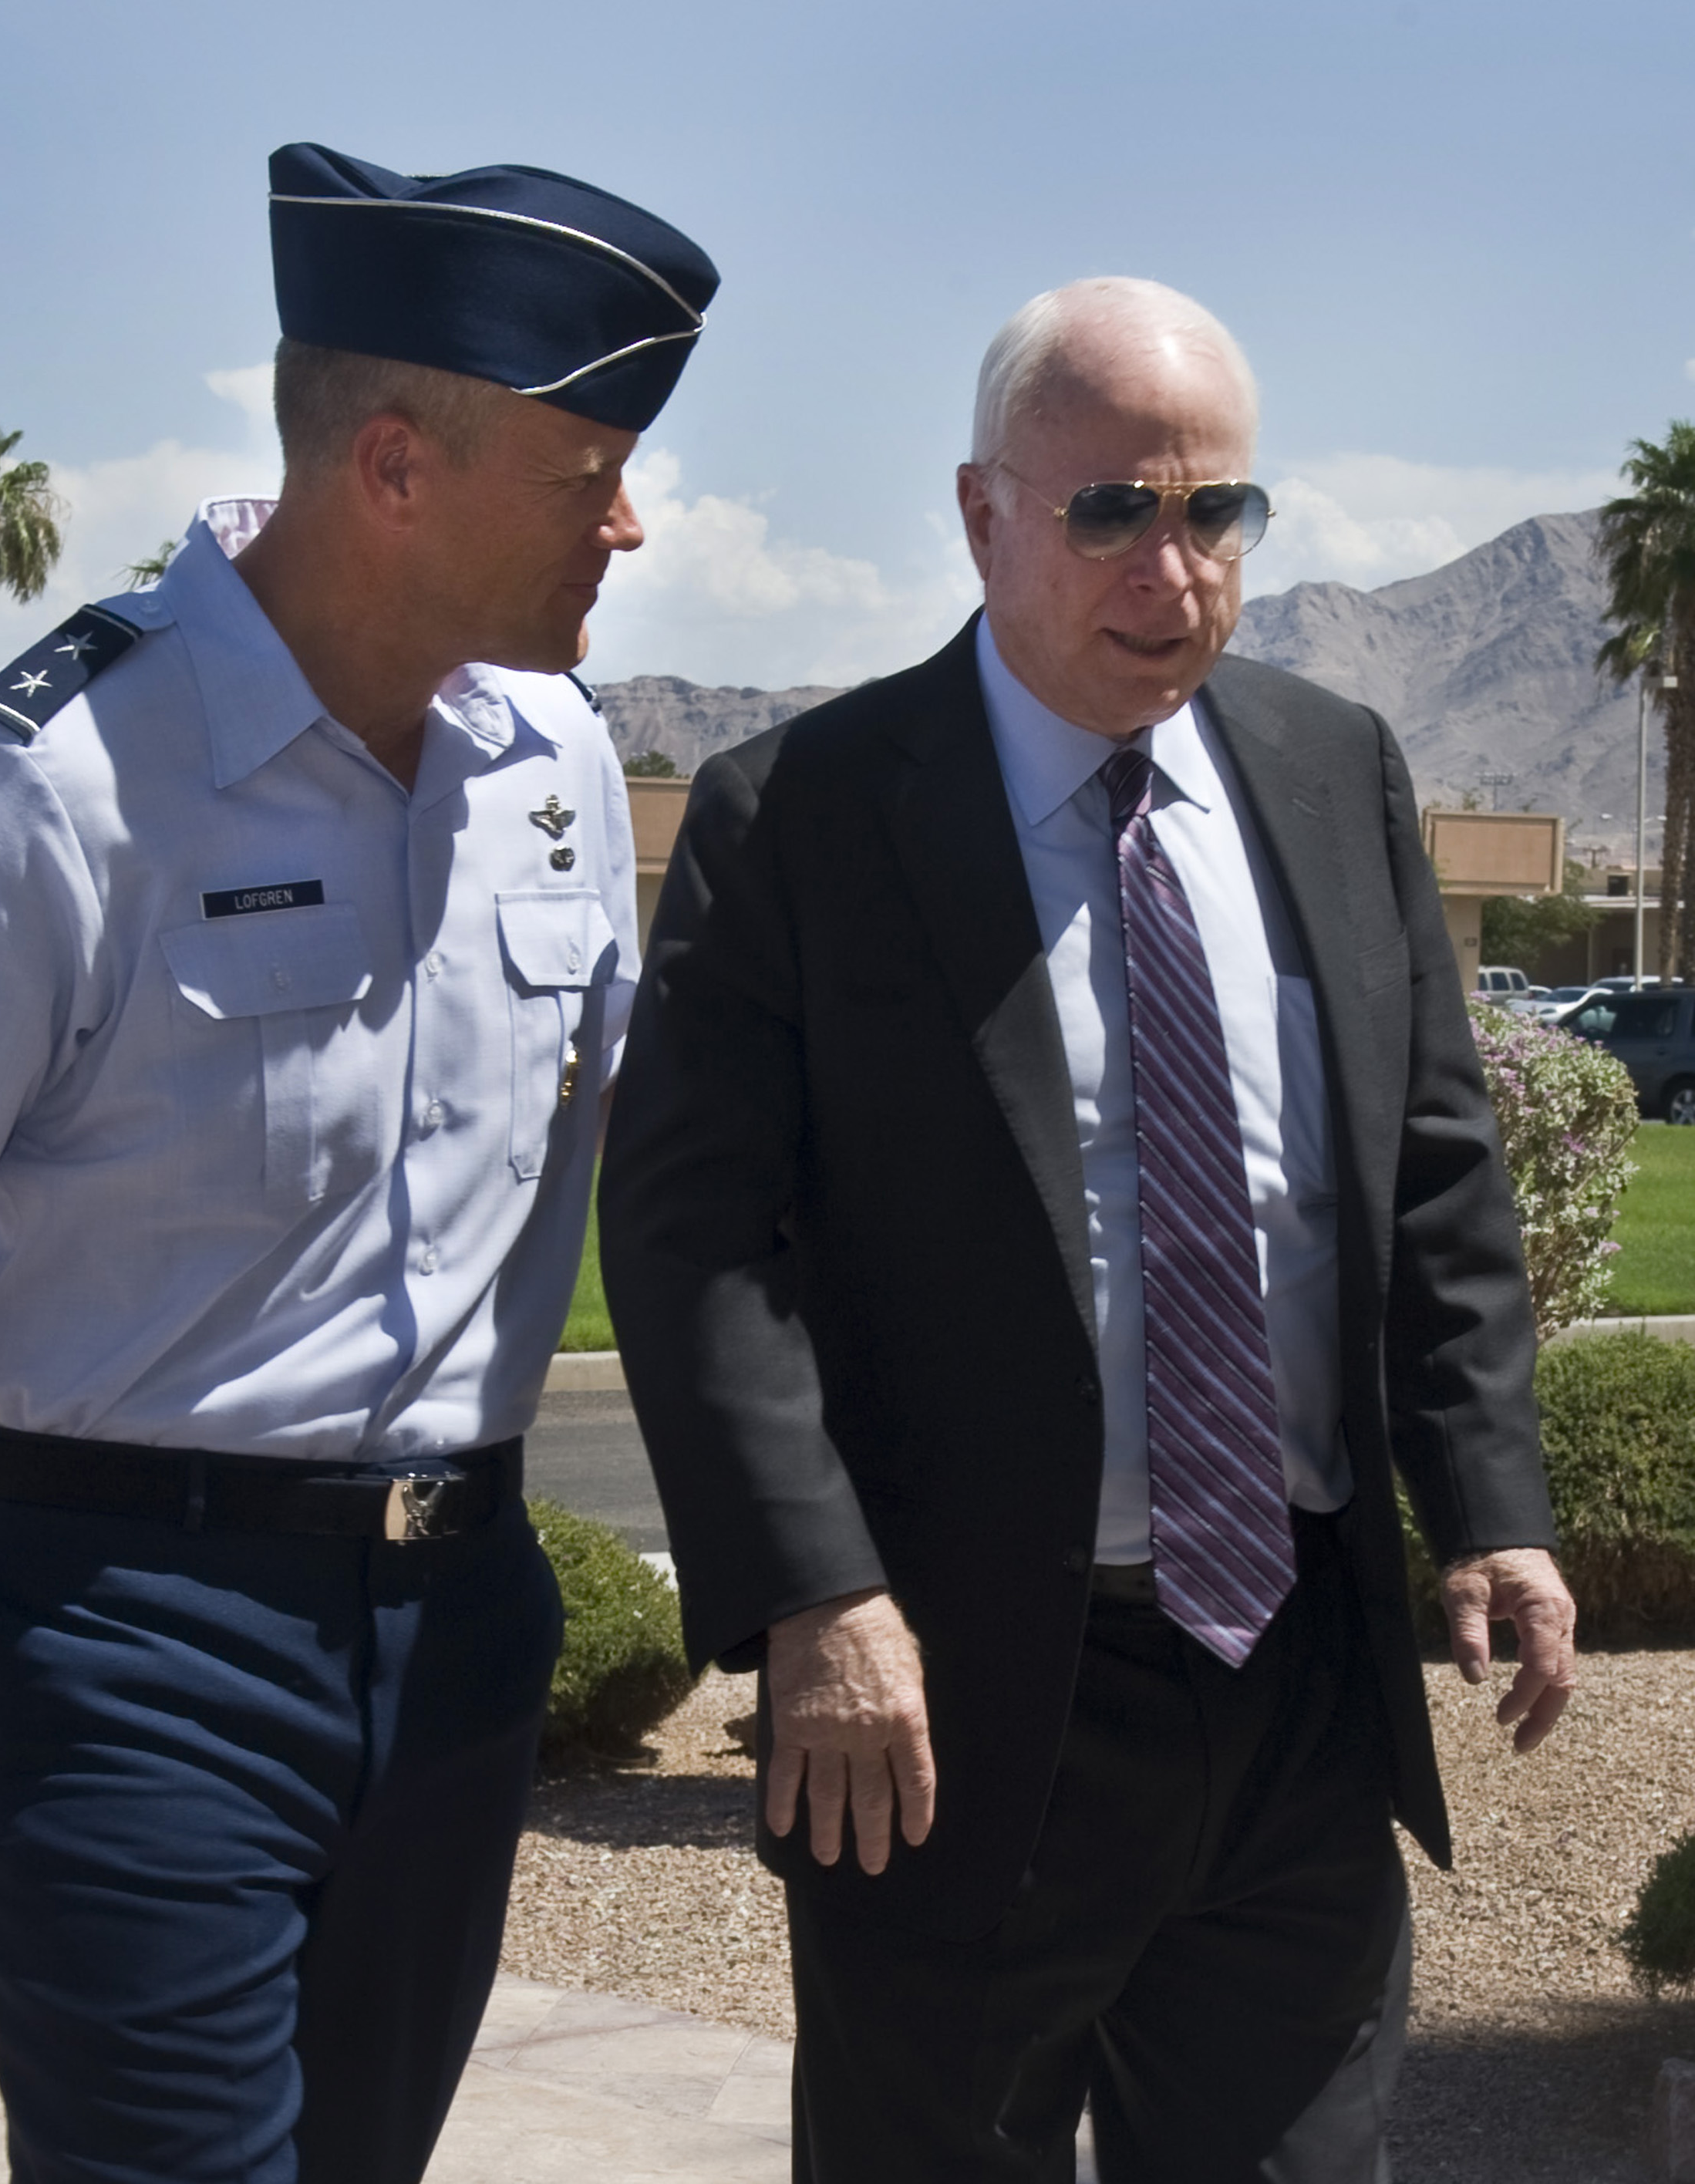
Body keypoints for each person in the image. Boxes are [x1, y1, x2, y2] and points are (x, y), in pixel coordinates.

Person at [0, 140, 707, 2181]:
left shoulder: (552, 761)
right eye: (587, 477)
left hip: (459, 1626)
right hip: (136, 1630)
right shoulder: (33, 792)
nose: (630, 526)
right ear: (395, 466)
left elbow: (648, 1152)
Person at [598, 278, 1579, 2179]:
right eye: (1112, 509)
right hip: (953, 1708)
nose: (1176, 564)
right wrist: (814, 1598)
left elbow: (1431, 1169)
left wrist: (1493, 1508)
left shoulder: (1330, 769)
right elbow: (693, 1244)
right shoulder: (795, 818)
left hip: (1293, 1676)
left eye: (1218, 511)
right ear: (980, 514)